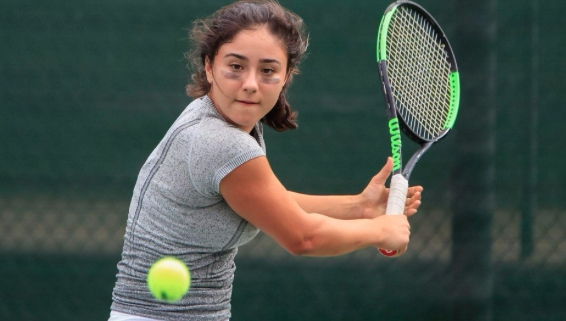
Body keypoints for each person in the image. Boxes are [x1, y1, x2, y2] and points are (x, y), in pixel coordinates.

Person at [108, 1, 423, 320]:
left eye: (268, 71)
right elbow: (303, 237)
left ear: (286, 77)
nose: (250, 83)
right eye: (235, 66)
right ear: (209, 66)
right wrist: (381, 231)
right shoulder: (222, 142)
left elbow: (264, 201)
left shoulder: (216, 118)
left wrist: (357, 208)